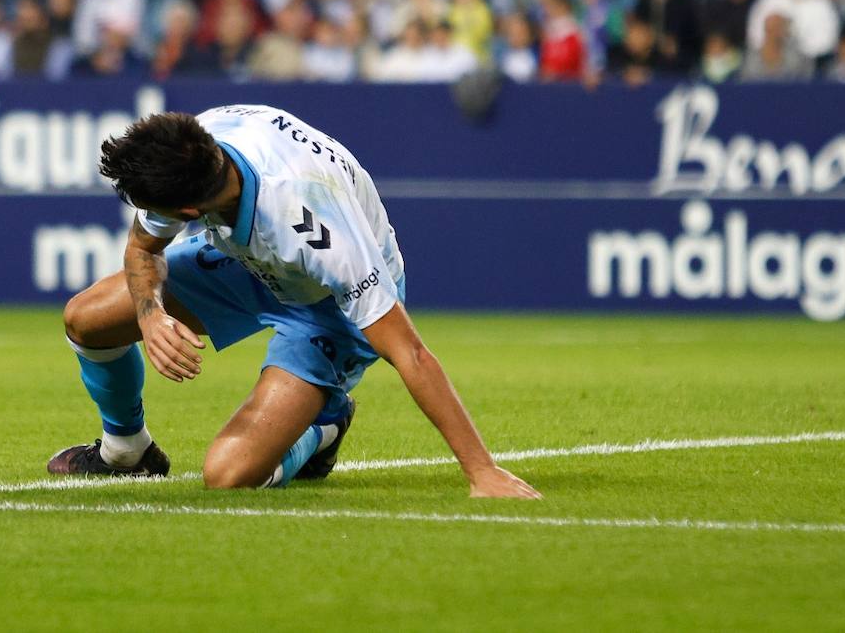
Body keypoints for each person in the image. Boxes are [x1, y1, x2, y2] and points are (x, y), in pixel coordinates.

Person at [49, 107, 542, 499]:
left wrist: (482, 472)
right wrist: (150, 313)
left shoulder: (315, 227)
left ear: (189, 212)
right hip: (250, 266)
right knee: (86, 319)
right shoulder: (198, 141)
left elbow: (410, 352)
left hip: (330, 307)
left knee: (229, 474)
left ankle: (324, 426)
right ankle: (127, 452)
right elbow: (143, 250)